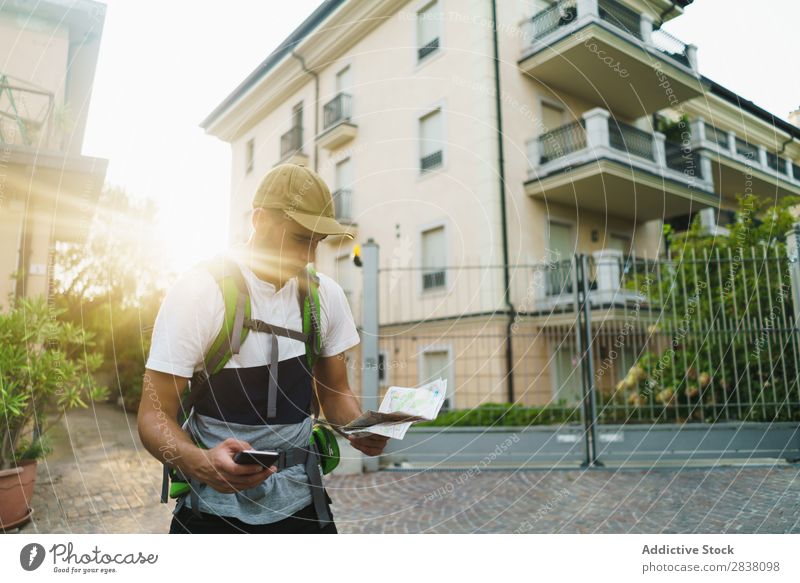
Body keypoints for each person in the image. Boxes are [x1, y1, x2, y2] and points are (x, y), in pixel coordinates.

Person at [138, 163, 389, 534]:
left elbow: (336, 396)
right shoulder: (199, 292)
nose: (309, 256)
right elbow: (152, 415)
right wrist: (201, 462)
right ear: (258, 220)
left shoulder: (327, 297)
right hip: (211, 512)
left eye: (317, 242)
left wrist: (360, 427)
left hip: (303, 505)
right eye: (300, 238)